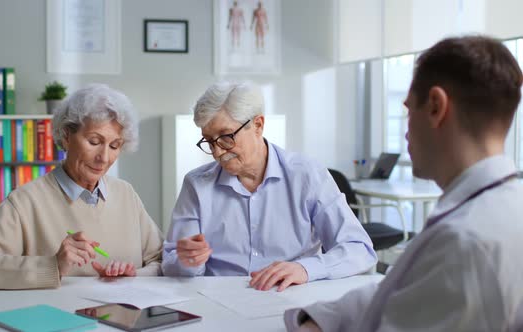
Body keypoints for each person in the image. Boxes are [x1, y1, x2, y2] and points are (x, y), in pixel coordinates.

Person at [284, 35, 523, 331]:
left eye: (409, 110)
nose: (406, 131)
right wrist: (320, 319)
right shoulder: (497, 209)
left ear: (436, 106)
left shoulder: (467, 242)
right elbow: (403, 290)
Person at [162, 81, 376, 291]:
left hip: (290, 295)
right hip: (220, 298)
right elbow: (170, 261)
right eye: (209, 141)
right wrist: (188, 261)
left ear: (258, 125)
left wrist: (305, 269)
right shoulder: (197, 184)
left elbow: (359, 249)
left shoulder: (307, 175)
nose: (217, 152)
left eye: (226, 137)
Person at [0, 84, 163, 290]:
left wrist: (135, 275)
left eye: (114, 146)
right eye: (94, 142)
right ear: (67, 136)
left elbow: (163, 260)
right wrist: (52, 266)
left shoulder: (125, 194)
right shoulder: (27, 200)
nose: (104, 158)